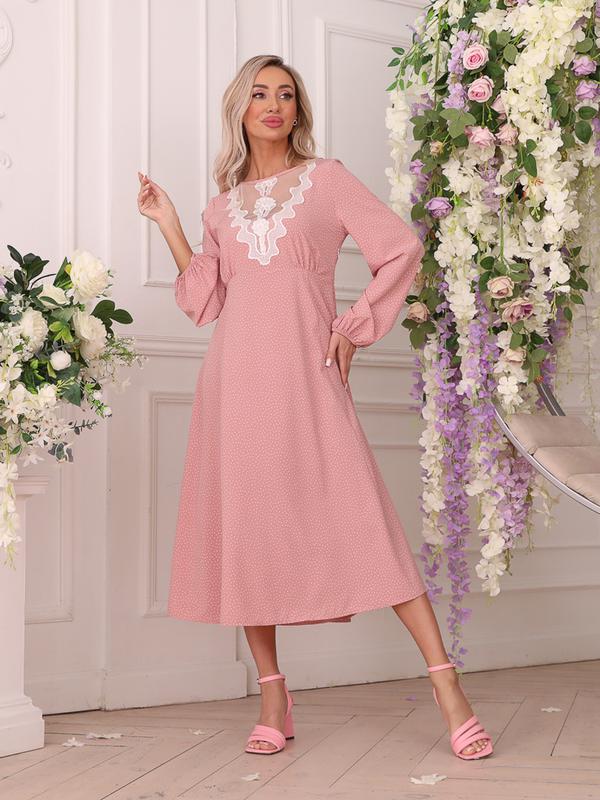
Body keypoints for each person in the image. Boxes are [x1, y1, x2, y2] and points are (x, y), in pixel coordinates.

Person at [136, 53, 493, 761]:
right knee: (249, 533)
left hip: (308, 376)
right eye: (259, 94)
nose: (273, 105)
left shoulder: (325, 181)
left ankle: (448, 686)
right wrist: (169, 222)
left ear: (298, 109)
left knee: (366, 523)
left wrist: (354, 326)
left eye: (286, 94)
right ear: (240, 110)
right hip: (235, 384)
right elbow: (205, 301)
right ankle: (273, 695)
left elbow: (401, 247)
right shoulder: (220, 209)